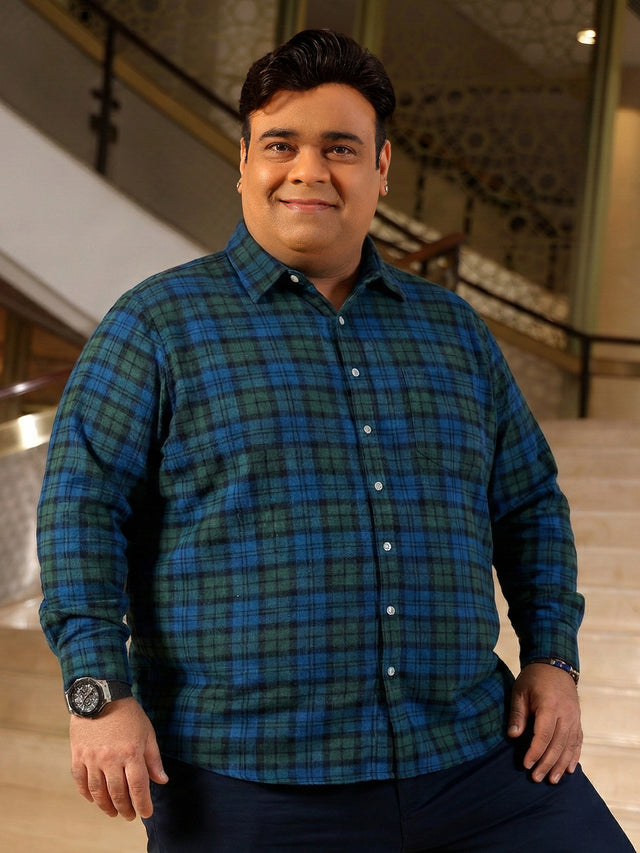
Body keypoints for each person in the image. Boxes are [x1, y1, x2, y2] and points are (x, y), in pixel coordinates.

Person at [37, 28, 635, 853]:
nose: (309, 170)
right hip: (250, 780)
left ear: (381, 167)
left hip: (475, 764)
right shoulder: (157, 325)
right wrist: (99, 694)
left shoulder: (454, 331)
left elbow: (530, 502)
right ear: (244, 162)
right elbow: (80, 510)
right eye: (281, 144)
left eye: (341, 148)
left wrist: (553, 659)